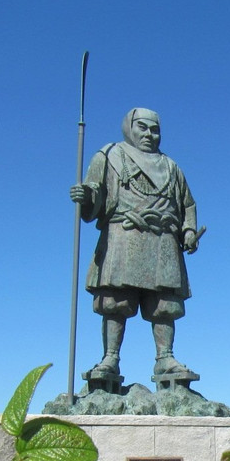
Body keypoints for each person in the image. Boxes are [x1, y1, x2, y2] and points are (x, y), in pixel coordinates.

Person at [70, 108, 201, 380]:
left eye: (155, 130)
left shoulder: (171, 167)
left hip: (162, 240)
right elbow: (94, 194)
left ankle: (165, 358)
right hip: (123, 235)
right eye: (143, 128)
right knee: (115, 302)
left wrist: (188, 231)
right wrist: (85, 197)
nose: (149, 134)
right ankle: (110, 359)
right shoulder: (109, 156)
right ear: (129, 128)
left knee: (164, 304)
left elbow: (187, 203)